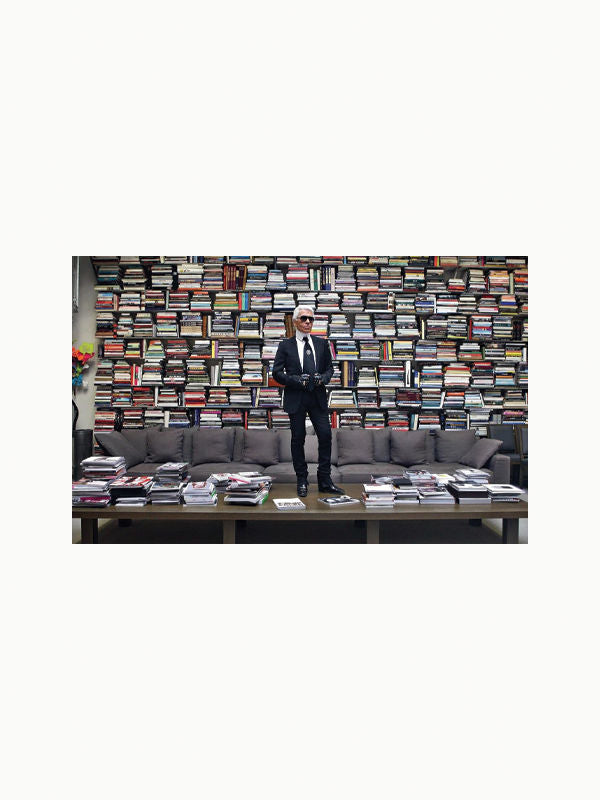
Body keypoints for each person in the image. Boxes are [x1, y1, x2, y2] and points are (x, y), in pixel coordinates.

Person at [273, 305, 343, 497]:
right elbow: (276, 373)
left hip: (317, 397)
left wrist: (324, 378)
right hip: (296, 397)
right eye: (304, 318)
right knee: (298, 440)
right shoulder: (285, 345)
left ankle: (325, 481)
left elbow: (330, 369)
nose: (307, 322)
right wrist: (295, 380)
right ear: (295, 321)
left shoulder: (321, 344)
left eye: (311, 319)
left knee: (326, 436)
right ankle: (302, 480)